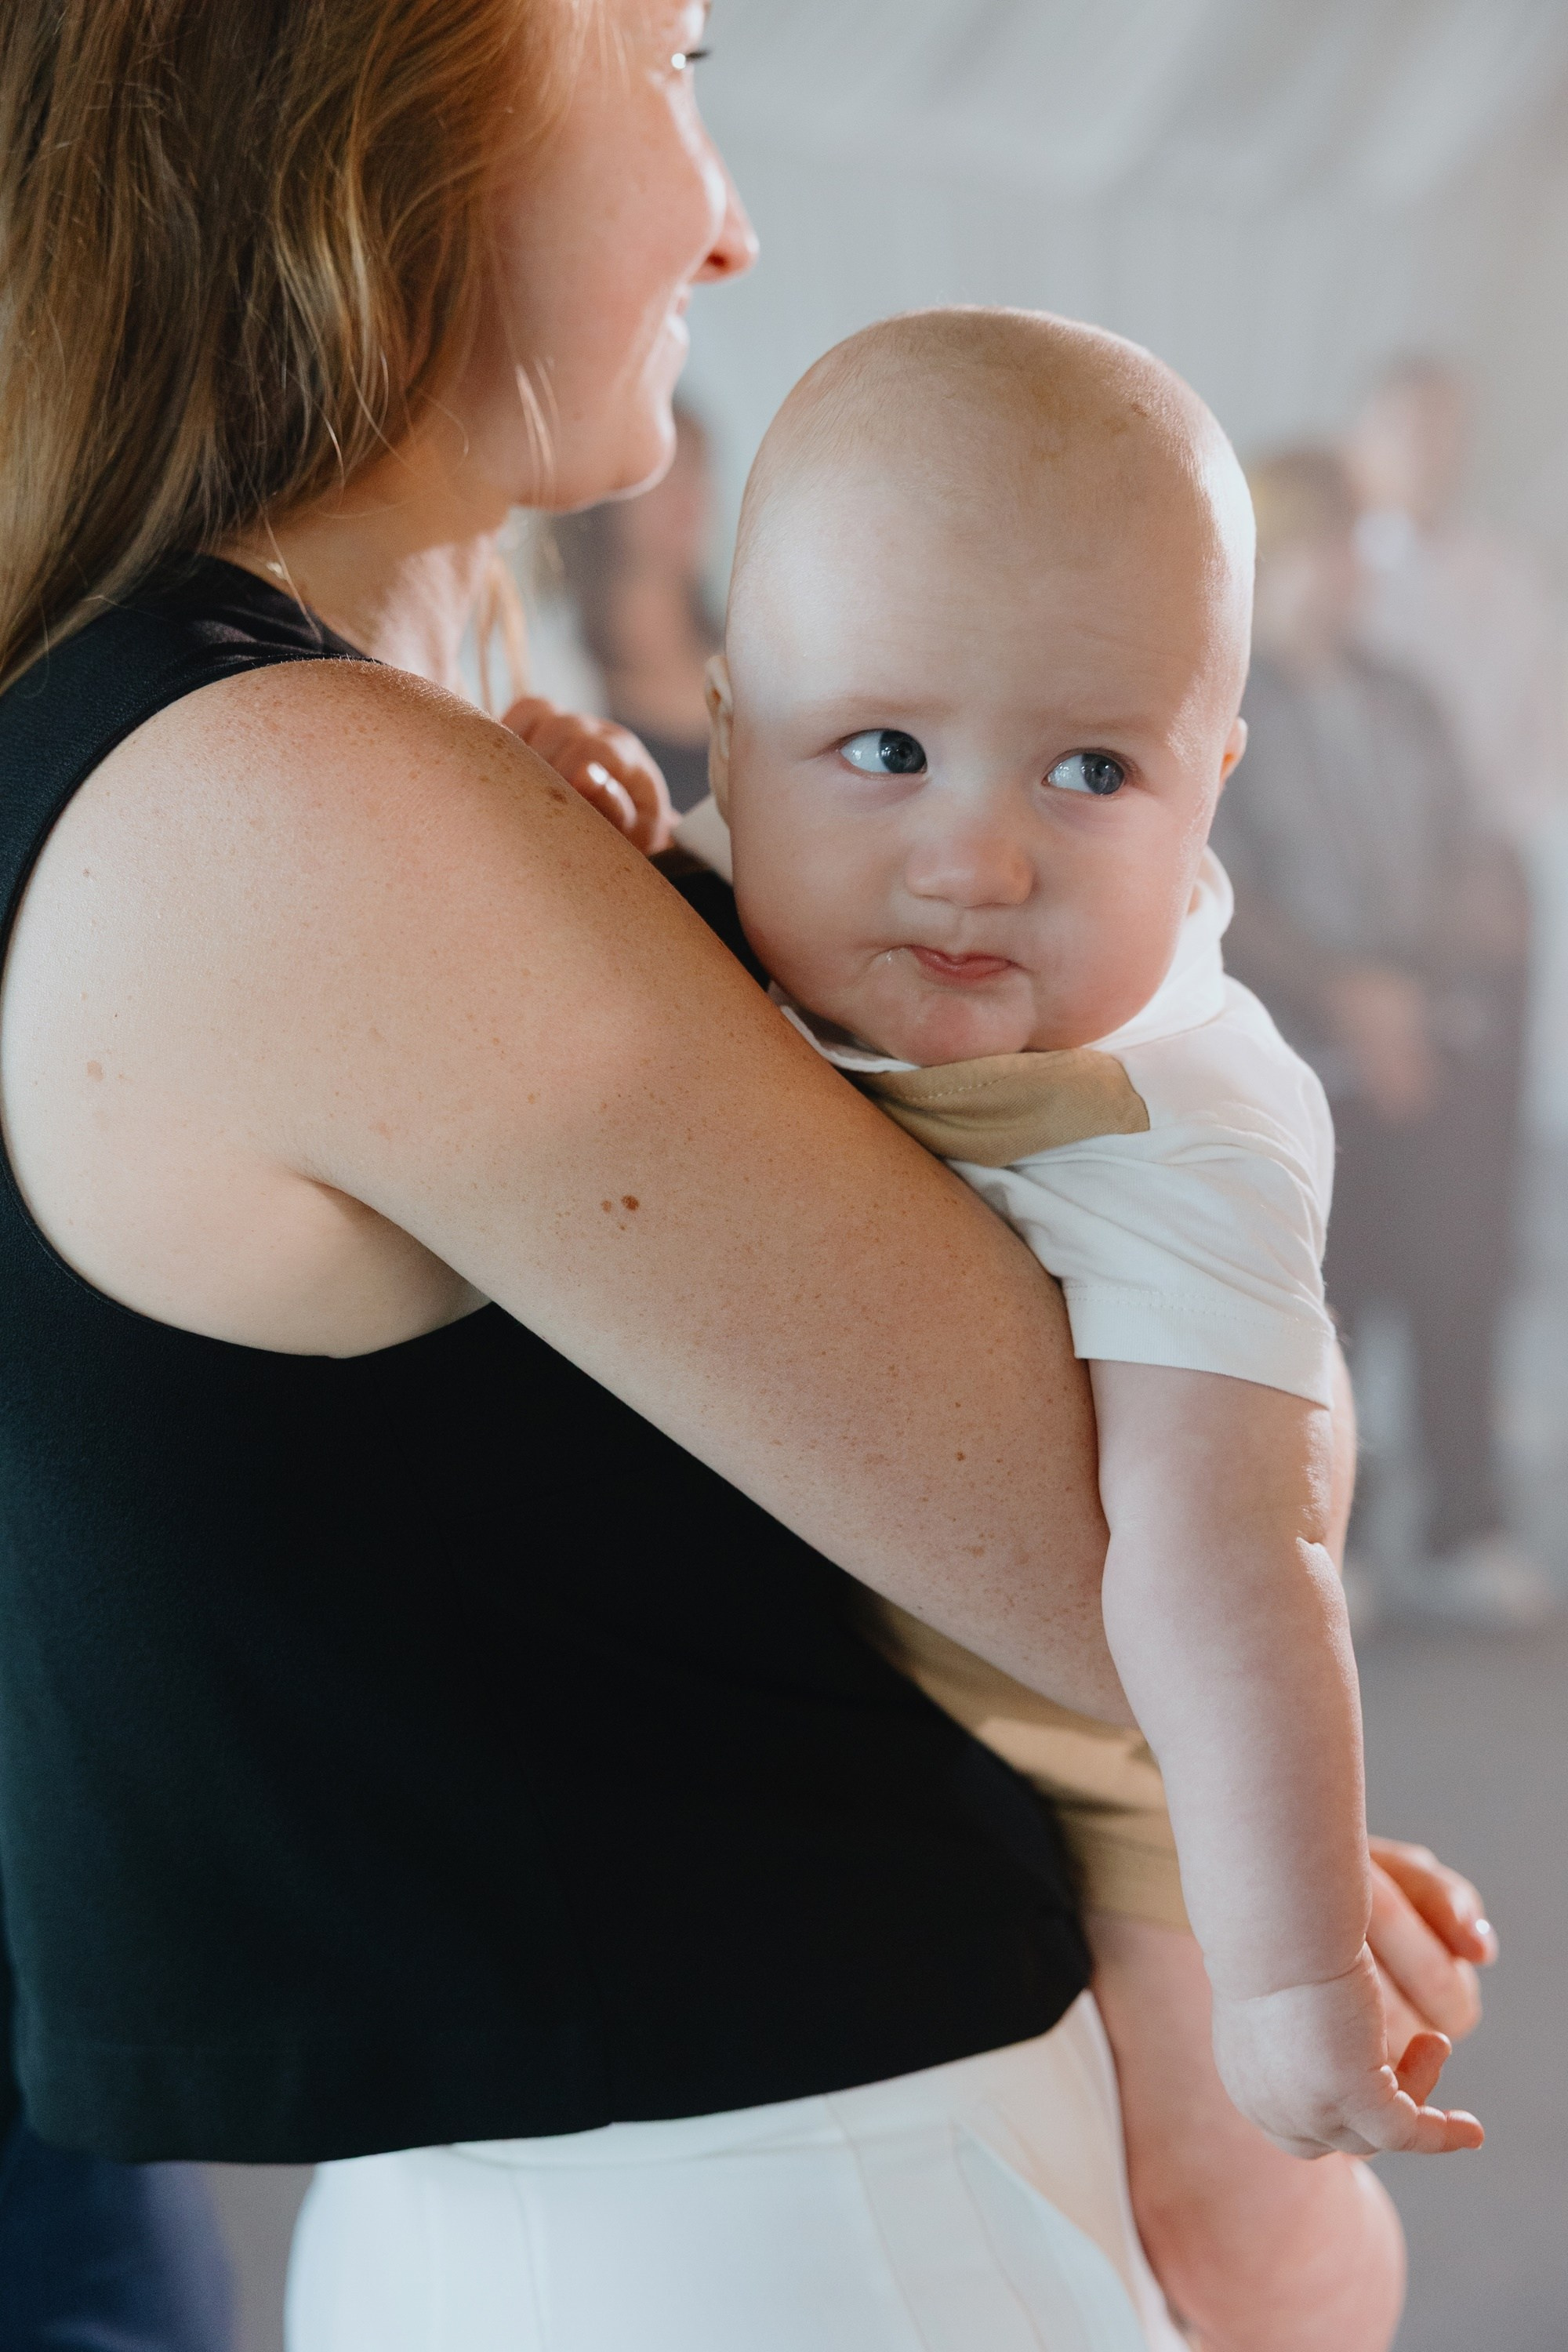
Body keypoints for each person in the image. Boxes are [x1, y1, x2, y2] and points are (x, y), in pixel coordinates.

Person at [0, 7, 1254, 2348]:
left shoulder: (214, 746)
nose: (729, 212)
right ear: (366, 97)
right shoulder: (300, 804)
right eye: (669, 60)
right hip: (794, 2222)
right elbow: (1164, 1551)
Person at [644, 306, 1488, 2350]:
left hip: (1126, 1770)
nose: (976, 855)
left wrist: (1284, 1980)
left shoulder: (1179, 1122)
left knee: (1239, 2222)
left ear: (1215, 788)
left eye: (1094, 770)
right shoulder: (719, 879)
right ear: (733, 731)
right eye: (884, 751)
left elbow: (1239, 1563)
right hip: (838, 1739)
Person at [1213, 450, 1550, 1628]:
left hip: (1440, 1039)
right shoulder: (1222, 706)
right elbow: (1226, 886)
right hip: (1301, 1057)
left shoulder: (1406, 693)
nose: (1350, 568)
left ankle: (1467, 1523)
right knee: (1326, 1304)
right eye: (1328, 542)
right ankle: (1325, 1541)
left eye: (1354, 543)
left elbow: (1469, 850)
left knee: (1461, 1279)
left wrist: (1417, 988)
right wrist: (1352, 995)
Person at [546, 401, 724, 814]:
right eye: (666, 470)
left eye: (698, 468)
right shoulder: (556, 681)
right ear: (605, 491)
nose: (689, 495)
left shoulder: (760, 661)